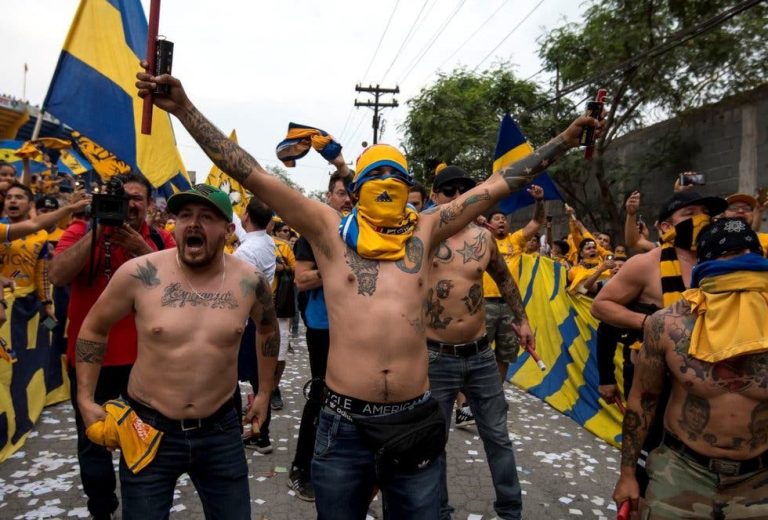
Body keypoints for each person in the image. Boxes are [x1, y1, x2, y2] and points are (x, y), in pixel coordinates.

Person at [136, 66, 600, 518]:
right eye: (375, 176)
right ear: (356, 188)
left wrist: (564, 140)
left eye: (396, 177)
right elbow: (252, 173)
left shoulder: (426, 228)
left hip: (415, 417)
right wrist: (184, 109)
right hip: (344, 425)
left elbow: (501, 183)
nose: (387, 185)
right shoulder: (328, 230)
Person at [75, 184, 279, 519]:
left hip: (221, 431)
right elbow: (95, 327)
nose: (193, 224)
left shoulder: (249, 280)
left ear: (229, 230)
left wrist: (264, 393)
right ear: (175, 224)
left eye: (207, 217)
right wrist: (85, 397)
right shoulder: (140, 273)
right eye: (185, 215)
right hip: (148, 428)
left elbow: (268, 329)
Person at [613, 218, 768, 518]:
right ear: (705, 265)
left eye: (748, 257)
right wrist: (628, 474)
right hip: (681, 473)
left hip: (759, 480)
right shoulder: (668, 326)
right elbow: (643, 402)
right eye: (729, 259)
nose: (740, 268)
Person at [48, 172, 175, 519]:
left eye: (137, 199)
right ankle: (101, 508)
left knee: (144, 439)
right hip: (90, 362)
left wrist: (140, 249)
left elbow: (177, 290)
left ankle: (141, 504)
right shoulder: (81, 233)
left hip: (144, 363)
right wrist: (97, 231)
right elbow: (57, 275)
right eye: (123, 199)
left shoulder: (161, 240)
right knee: (92, 442)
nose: (130, 206)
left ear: (149, 205)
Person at [592, 190, 727, 494]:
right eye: (690, 214)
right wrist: (654, 326)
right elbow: (602, 306)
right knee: (648, 463)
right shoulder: (647, 263)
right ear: (667, 226)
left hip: (710, 382)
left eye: (706, 212)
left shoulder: (727, 263)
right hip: (655, 377)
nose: (702, 219)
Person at [426, 165, 533, 520]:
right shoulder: (420, 237)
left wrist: (522, 319)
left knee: (498, 437)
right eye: (449, 190)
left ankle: (510, 509)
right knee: (433, 443)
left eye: (465, 190)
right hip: (435, 357)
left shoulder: (484, 239)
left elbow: (504, 279)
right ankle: (439, 510)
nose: (458, 197)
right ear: (434, 195)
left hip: (480, 356)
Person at [287, 168, 352, 501]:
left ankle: (345, 465)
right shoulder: (311, 235)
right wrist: (342, 267)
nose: (347, 199)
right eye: (341, 193)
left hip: (356, 327)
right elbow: (303, 280)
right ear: (329, 196)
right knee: (322, 394)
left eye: (352, 194)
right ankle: (302, 468)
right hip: (323, 326)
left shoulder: (364, 232)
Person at [484, 185, 544, 382]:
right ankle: (471, 397)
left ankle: (497, 393)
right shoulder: (481, 240)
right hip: (484, 304)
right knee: (478, 352)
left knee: (505, 353)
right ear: (488, 224)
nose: (501, 221)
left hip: (510, 306)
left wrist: (539, 202)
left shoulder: (516, 240)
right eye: (497, 218)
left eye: (504, 219)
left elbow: (536, 221)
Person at [233, 196, 277, 453]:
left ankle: (248, 432)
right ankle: (261, 431)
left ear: (247, 215)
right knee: (260, 379)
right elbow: (243, 233)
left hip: (248, 319)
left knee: (232, 378)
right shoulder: (265, 242)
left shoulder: (245, 252)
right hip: (258, 316)